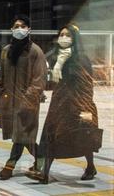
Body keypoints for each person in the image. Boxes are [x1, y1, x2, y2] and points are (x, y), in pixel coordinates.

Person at [27, 24, 102, 184]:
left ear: (74, 38)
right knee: (52, 137)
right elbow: (54, 82)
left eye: (68, 35)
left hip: (77, 106)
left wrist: (84, 107)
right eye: (61, 35)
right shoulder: (57, 58)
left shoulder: (82, 59)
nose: (64, 38)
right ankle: (44, 173)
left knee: (82, 137)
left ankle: (90, 167)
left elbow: (86, 85)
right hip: (59, 106)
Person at [0, 14, 47, 180]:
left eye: (22, 26)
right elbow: (2, 77)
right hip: (9, 103)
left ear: (28, 29)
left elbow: (39, 81)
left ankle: (10, 165)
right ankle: (41, 158)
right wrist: (1, 94)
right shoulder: (6, 52)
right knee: (22, 136)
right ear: (12, 29)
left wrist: (27, 102)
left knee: (21, 135)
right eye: (16, 26)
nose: (19, 29)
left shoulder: (35, 52)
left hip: (27, 104)